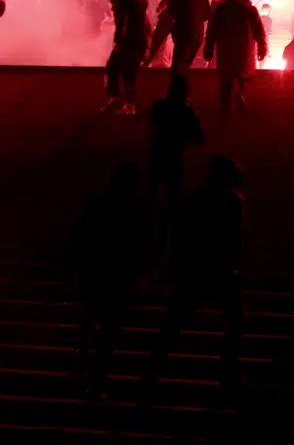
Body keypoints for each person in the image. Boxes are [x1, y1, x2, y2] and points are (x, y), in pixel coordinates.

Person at [142, 156, 245, 397]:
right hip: (219, 269)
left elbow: (178, 233)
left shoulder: (191, 199)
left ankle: (151, 370)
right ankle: (229, 370)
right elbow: (234, 238)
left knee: (175, 323)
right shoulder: (232, 201)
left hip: (192, 268)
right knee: (234, 319)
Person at [66, 162, 151, 404]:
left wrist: (73, 266)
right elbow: (142, 244)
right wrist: (142, 273)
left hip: (95, 272)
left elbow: (79, 234)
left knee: (88, 324)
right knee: (107, 333)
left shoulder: (97, 203)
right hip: (118, 277)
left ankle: (80, 370)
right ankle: (97, 379)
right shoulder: (138, 208)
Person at [203, 0, 268, 124]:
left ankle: (225, 112)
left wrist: (208, 49)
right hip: (244, 51)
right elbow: (259, 30)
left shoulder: (220, 9)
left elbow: (211, 31)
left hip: (226, 50)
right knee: (243, 78)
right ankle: (241, 96)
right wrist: (262, 48)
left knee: (226, 82)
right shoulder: (249, 9)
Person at [147, 76, 204, 210]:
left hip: (156, 154)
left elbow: (150, 126)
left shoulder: (157, 107)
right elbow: (198, 139)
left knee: (152, 193)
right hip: (175, 157)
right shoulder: (187, 112)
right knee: (173, 196)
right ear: (185, 92)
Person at [103, 0, 148, 113]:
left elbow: (125, 27)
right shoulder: (130, 3)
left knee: (113, 68)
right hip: (136, 44)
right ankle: (128, 105)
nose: (111, 4)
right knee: (128, 73)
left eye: (111, 0)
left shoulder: (125, 6)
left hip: (128, 45)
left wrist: (119, 43)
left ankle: (117, 100)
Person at [167, 0, 209, 80]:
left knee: (178, 64)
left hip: (182, 32)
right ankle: (184, 91)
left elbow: (171, 10)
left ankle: (178, 92)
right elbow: (207, 14)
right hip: (197, 34)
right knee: (186, 63)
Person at [145, 0, 181, 67]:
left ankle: (148, 61)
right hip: (178, 14)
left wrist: (161, 7)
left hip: (171, 14)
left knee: (158, 36)